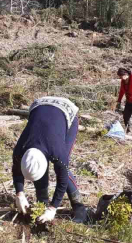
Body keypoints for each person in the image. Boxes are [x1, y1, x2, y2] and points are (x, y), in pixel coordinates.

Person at [12, 96, 87, 224]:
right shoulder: (20, 149)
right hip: (40, 106)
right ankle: (42, 201)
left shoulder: (57, 152)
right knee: (37, 168)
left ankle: (78, 205)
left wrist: (53, 208)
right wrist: (20, 194)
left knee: (64, 168)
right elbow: (17, 170)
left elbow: (62, 180)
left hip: (66, 112)